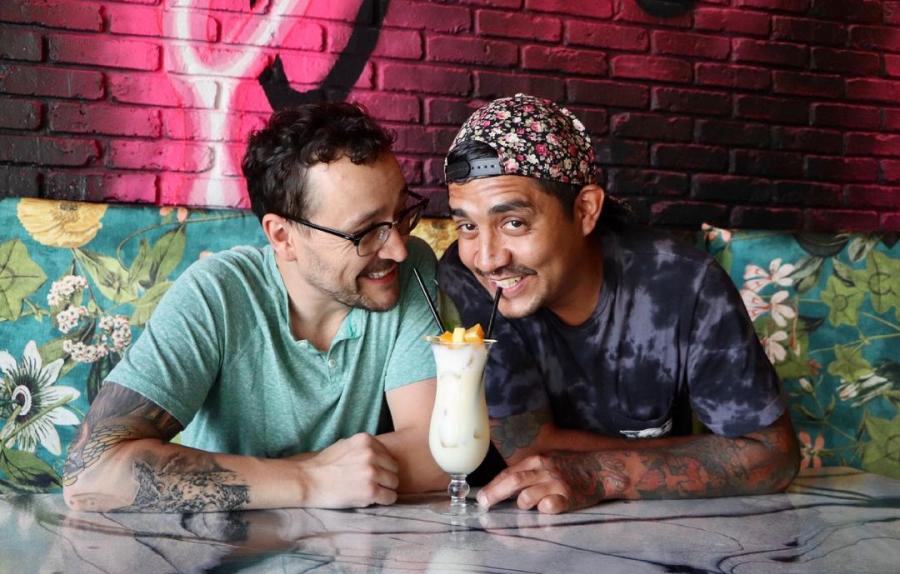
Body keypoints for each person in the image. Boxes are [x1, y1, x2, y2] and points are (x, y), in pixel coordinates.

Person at [63, 102, 447, 512]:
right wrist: (309, 481)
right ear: (282, 236)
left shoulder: (410, 270)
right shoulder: (217, 295)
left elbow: (439, 452)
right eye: (367, 232)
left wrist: (288, 479)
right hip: (224, 557)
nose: (398, 248)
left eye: (402, 214)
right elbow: (90, 474)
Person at [438, 94, 801, 514]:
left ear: (585, 210)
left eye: (514, 223)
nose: (487, 258)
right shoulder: (468, 279)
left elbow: (772, 456)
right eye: (467, 225)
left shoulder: (683, 284)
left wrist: (602, 472)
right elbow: (525, 449)